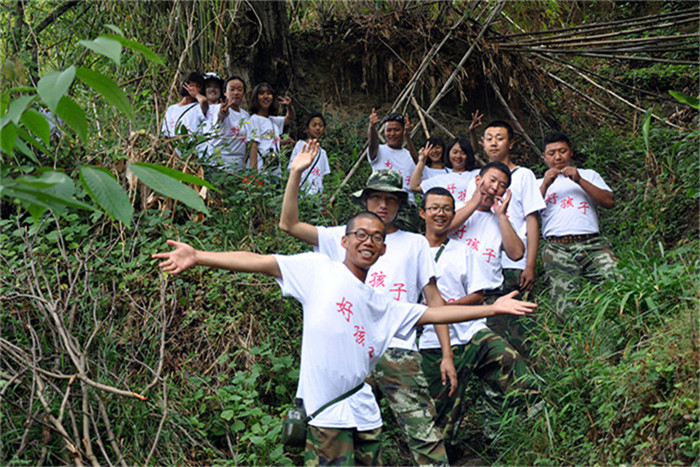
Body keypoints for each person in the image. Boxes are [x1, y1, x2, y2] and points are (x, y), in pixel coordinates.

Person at [153, 209, 536, 466]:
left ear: (383, 249)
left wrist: (492, 308)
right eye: (360, 235)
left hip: (365, 416)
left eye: (376, 237)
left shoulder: (380, 303)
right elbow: (260, 261)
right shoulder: (318, 270)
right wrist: (199, 255)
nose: (368, 241)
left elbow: (435, 313)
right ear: (345, 241)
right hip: (327, 416)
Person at [280, 141, 455, 466]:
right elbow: (289, 225)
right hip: (348, 352)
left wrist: (447, 354)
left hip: (397, 348)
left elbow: (433, 299)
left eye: (391, 199)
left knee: (422, 429)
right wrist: (296, 174)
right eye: (376, 198)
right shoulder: (344, 236)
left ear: (400, 204)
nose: (383, 205)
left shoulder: (415, 243)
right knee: (342, 430)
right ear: (365, 200)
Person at [417, 187, 539, 446]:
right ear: (422, 213)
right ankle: (445, 450)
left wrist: (448, 307)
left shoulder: (463, 250)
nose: (440, 214)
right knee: (441, 426)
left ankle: (535, 423)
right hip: (431, 341)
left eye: (446, 209)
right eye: (434, 208)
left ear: (454, 214)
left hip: (470, 331)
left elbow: (477, 295)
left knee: (507, 358)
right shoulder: (410, 250)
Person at [457, 120, 545, 354]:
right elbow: (464, 217)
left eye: (500, 138)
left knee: (511, 328)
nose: (494, 143)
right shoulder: (476, 181)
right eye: (489, 138)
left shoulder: (524, 175)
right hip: (479, 264)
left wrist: (529, 265)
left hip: (512, 262)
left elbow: (531, 220)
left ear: (511, 143)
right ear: (482, 143)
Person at [538, 132, 617, 323]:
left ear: (571, 152)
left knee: (617, 281)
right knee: (565, 304)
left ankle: (623, 326)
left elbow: (608, 201)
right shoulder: (537, 183)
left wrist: (579, 180)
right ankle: (573, 338)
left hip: (593, 243)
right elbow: (528, 213)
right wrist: (545, 184)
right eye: (551, 153)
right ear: (544, 157)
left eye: (562, 151)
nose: (558, 157)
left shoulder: (589, 175)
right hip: (557, 248)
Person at [367, 110, 419, 204]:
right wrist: (372, 127)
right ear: (384, 132)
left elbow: (418, 164)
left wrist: (407, 137)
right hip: (381, 202)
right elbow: (373, 143)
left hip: (405, 204)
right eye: (389, 130)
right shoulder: (378, 151)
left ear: (403, 131)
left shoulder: (409, 155)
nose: (392, 134)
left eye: (396, 130)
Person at [246, 82, 295, 174]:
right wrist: (254, 173)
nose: (266, 96)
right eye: (261, 93)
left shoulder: (272, 120)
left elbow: (290, 118)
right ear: (256, 98)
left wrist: (289, 106)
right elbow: (253, 145)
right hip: (261, 170)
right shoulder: (255, 119)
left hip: (275, 171)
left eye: (269, 93)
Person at [410, 137, 478, 203]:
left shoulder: (478, 174)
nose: (458, 156)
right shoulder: (440, 179)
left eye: (463, 153)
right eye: (455, 152)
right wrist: (422, 161)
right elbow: (414, 187)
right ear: (448, 153)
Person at [287, 113, 331, 195]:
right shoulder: (300, 146)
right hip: (301, 193)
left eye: (320, 125)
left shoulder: (323, 153)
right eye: (314, 125)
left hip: (317, 196)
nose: (318, 128)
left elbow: (323, 178)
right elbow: (291, 169)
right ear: (307, 129)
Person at [161, 72, 205, 137]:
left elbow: (204, 101)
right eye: (191, 85)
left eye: (197, 86)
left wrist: (196, 95)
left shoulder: (199, 107)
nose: (193, 89)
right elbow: (165, 132)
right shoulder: (171, 109)